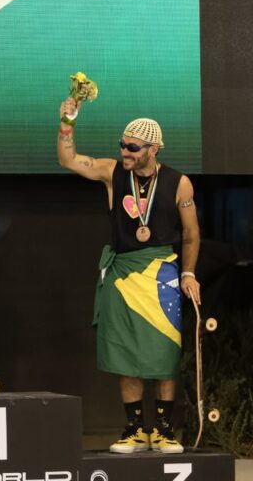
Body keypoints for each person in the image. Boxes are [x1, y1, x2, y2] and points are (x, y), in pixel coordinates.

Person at [57, 98, 201, 454]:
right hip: (122, 273)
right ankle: (136, 430)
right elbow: (69, 160)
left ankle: (165, 430)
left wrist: (188, 272)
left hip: (160, 273)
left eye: (133, 147)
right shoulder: (112, 172)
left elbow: (191, 235)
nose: (124, 151)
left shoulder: (179, 183)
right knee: (125, 355)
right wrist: (67, 121)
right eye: (122, 145)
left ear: (153, 149)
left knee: (164, 354)